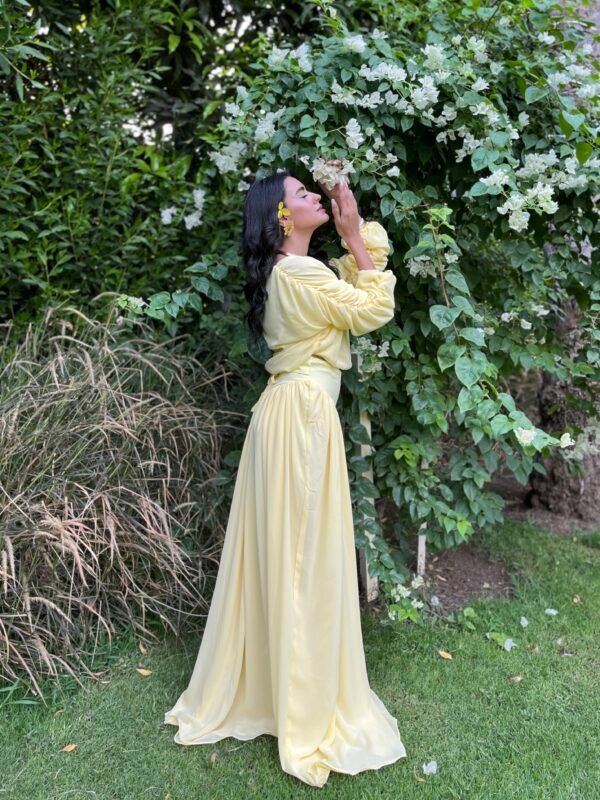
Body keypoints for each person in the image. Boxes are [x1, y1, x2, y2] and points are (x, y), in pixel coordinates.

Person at [163, 160, 407, 788]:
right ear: (280, 214)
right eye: (303, 193)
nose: (315, 195)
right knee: (304, 558)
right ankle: (302, 705)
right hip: (299, 419)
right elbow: (371, 307)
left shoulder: (293, 272)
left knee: (289, 554)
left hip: (288, 415)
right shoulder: (298, 272)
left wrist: (351, 233)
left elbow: (354, 284)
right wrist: (353, 234)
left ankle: (279, 688)